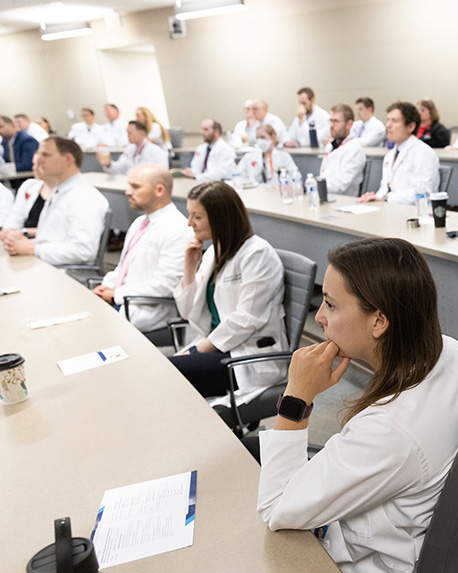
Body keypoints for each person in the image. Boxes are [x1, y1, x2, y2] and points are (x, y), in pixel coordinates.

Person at [256, 237, 458, 573]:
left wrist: (296, 399)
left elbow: (275, 509)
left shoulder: (389, 430)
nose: (319, 316)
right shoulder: (455, 352)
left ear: (379, 320)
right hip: (437, 537)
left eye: (332, 305)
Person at [170, 181, 287, 407]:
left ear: (220, 217)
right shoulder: (215, 251)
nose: (189, 223)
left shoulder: (257, 254)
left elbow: (246, 319)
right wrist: (189, 268)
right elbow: (187, 311)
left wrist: (197, 350)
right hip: (217, 348)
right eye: (189, 215)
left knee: (167, 376)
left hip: (245, 357)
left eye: (197, 217)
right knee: (161, 372)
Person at [92, 165, 194, 332]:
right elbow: (123, 267)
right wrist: (107, 285)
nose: (128, 191)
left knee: (85, 328)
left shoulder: (178, 229)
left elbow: (165, 286)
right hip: (123, 301)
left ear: (159, 190)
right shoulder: (140, 223)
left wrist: (116, 295)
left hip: (146, 310)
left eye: (136, 187)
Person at [1, 137, 109, 266]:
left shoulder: (85, 197)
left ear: (68, 159)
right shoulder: (58, 192)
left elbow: (83, 251)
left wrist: (32, 248)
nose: (38, 160)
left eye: (46, 155)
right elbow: (47, 239)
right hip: (44, 264)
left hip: (64, 274)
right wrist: (17, 243)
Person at [359, 102, 440, 205]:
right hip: (390, 210)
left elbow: (422, 194)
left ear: (411, 126)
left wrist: (386, 198)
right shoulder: (390, 156)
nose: (388, 125)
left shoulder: (424, 153)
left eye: (395, 121)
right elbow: (385, 189)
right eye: (388, 120)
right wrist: (374, 197)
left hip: (414, 214)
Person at [319, 104, 366, 195]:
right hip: (326, 196)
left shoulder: (354, 150)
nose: (331, 125)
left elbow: (340, 185)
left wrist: (315, 187)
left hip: (345, 202)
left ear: (349, 124)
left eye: (336, 121)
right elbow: (323, 176)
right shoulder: (330, 146)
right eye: (331, 121)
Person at [103, 121, 169, 174]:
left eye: (130, 133)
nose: (127, 136)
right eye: (127, 133)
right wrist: (108, 164)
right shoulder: (129, 149)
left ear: (142, 133)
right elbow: (120, 168)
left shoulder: (155, 151)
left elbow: (161, 174)